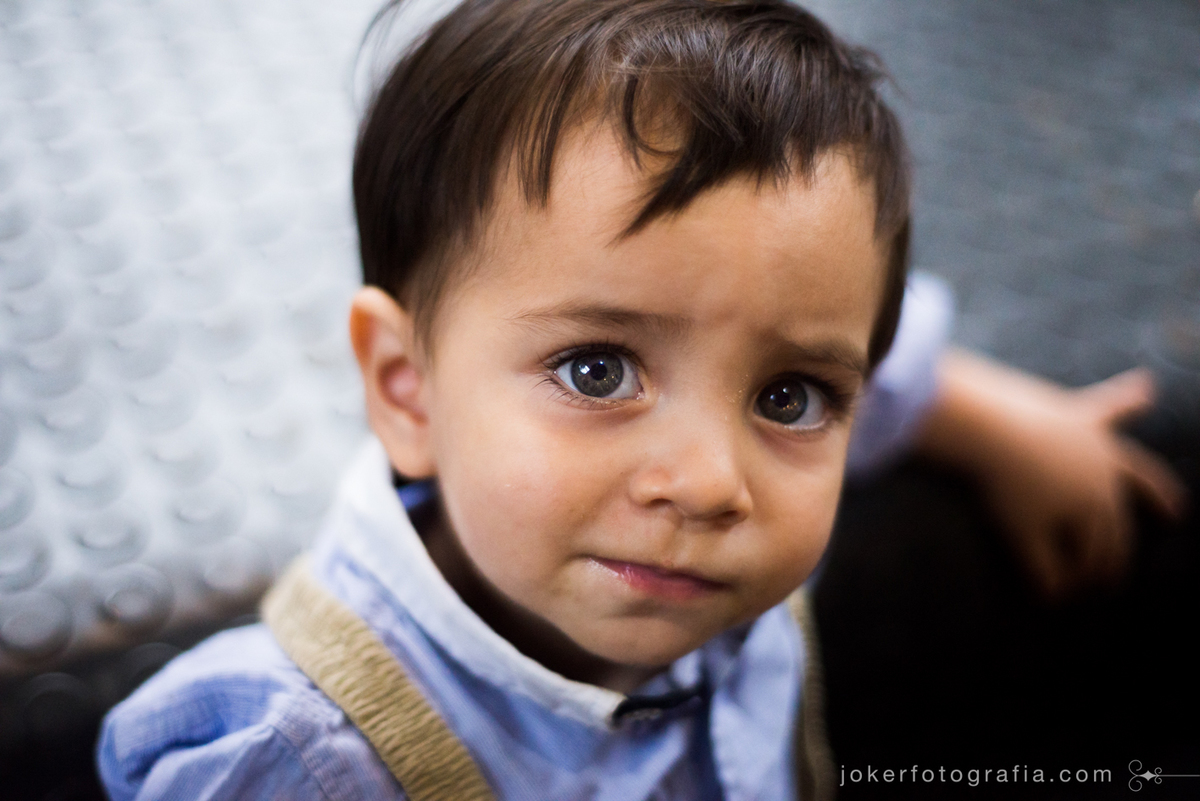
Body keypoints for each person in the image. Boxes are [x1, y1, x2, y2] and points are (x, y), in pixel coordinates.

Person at [96, 1, 1184, 799]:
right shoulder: (296, 760)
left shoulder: (672, 525)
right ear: (405, 388)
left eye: (788, 398)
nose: (712, 482)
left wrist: (985, 417)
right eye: (598, 372)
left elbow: (873, 362)